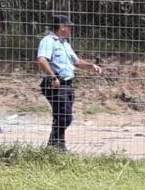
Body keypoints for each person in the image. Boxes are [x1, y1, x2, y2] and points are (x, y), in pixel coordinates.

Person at [36, 14, 102, 151]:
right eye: (69, 26)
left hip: (67, 85)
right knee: (65, 117)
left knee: (61, 116)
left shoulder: (64, 43)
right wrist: (53, 77)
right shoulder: (48, 41)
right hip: (55, 84)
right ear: (61, 27)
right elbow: (42, 60)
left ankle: (56, 147)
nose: (71, 29)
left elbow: (76, 62)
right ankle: (54, 146)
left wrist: (91, 66)